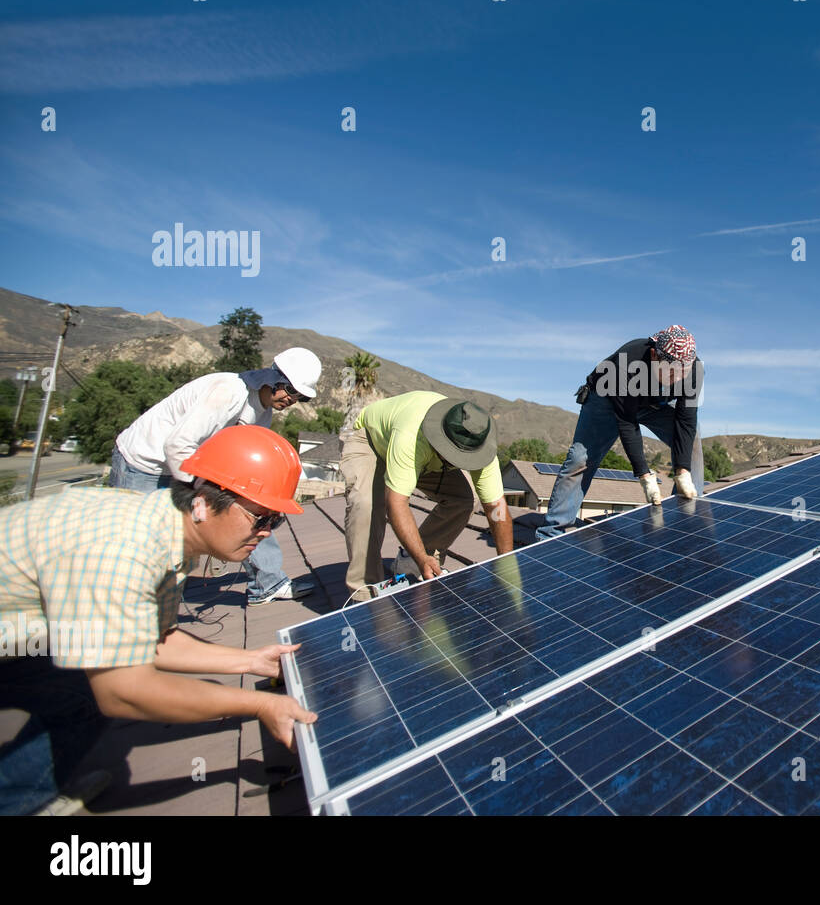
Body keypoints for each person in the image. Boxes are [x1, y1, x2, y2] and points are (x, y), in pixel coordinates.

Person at [0, 425, 318, 816]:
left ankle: (27, 789)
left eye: (276, 521)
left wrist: (250, 661)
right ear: (203, 502)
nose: (266, 532)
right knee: (88, 691)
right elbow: (123, 691)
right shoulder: (121, 549)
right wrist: (258, 705)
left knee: (88, 679)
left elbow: (152, 639)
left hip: (23, 636)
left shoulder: (171, 534)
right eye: (261, 517)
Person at [109, 347, 322, 605]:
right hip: (143, 463)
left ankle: (268, 584)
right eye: (290, 390)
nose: (292, 399)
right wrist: (202, 492)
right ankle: (130, 605)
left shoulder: (262, 413)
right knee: (140, 542)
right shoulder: (229, 391)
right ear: (273, 378)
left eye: (300, 397)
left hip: (187, 464)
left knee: (252, 511)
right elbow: (177, 445)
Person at [341, 392, 514, 602]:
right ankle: (365, 595)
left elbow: (497, 508)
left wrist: (507, 567)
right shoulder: (412, 436)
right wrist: (421, 557)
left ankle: (411, 561)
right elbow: (396, 503)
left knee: (463, 500)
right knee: (366, 505)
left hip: (427, 458)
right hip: (372, 442)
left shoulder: (480, 446)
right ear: (441, 440)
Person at [536, 325, 704, 539]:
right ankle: (553, 532)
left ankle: (683, 526)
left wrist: (682, 471)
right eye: (670, 370)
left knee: (691, 442)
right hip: (606, 400)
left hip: (653, 403)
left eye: (683, 372)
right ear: (654, 355)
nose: (677, 378)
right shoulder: (627, 362)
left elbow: (686, 422)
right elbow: (627, 422)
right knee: (581, 458)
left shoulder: (694, 371)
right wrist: (644, 475)